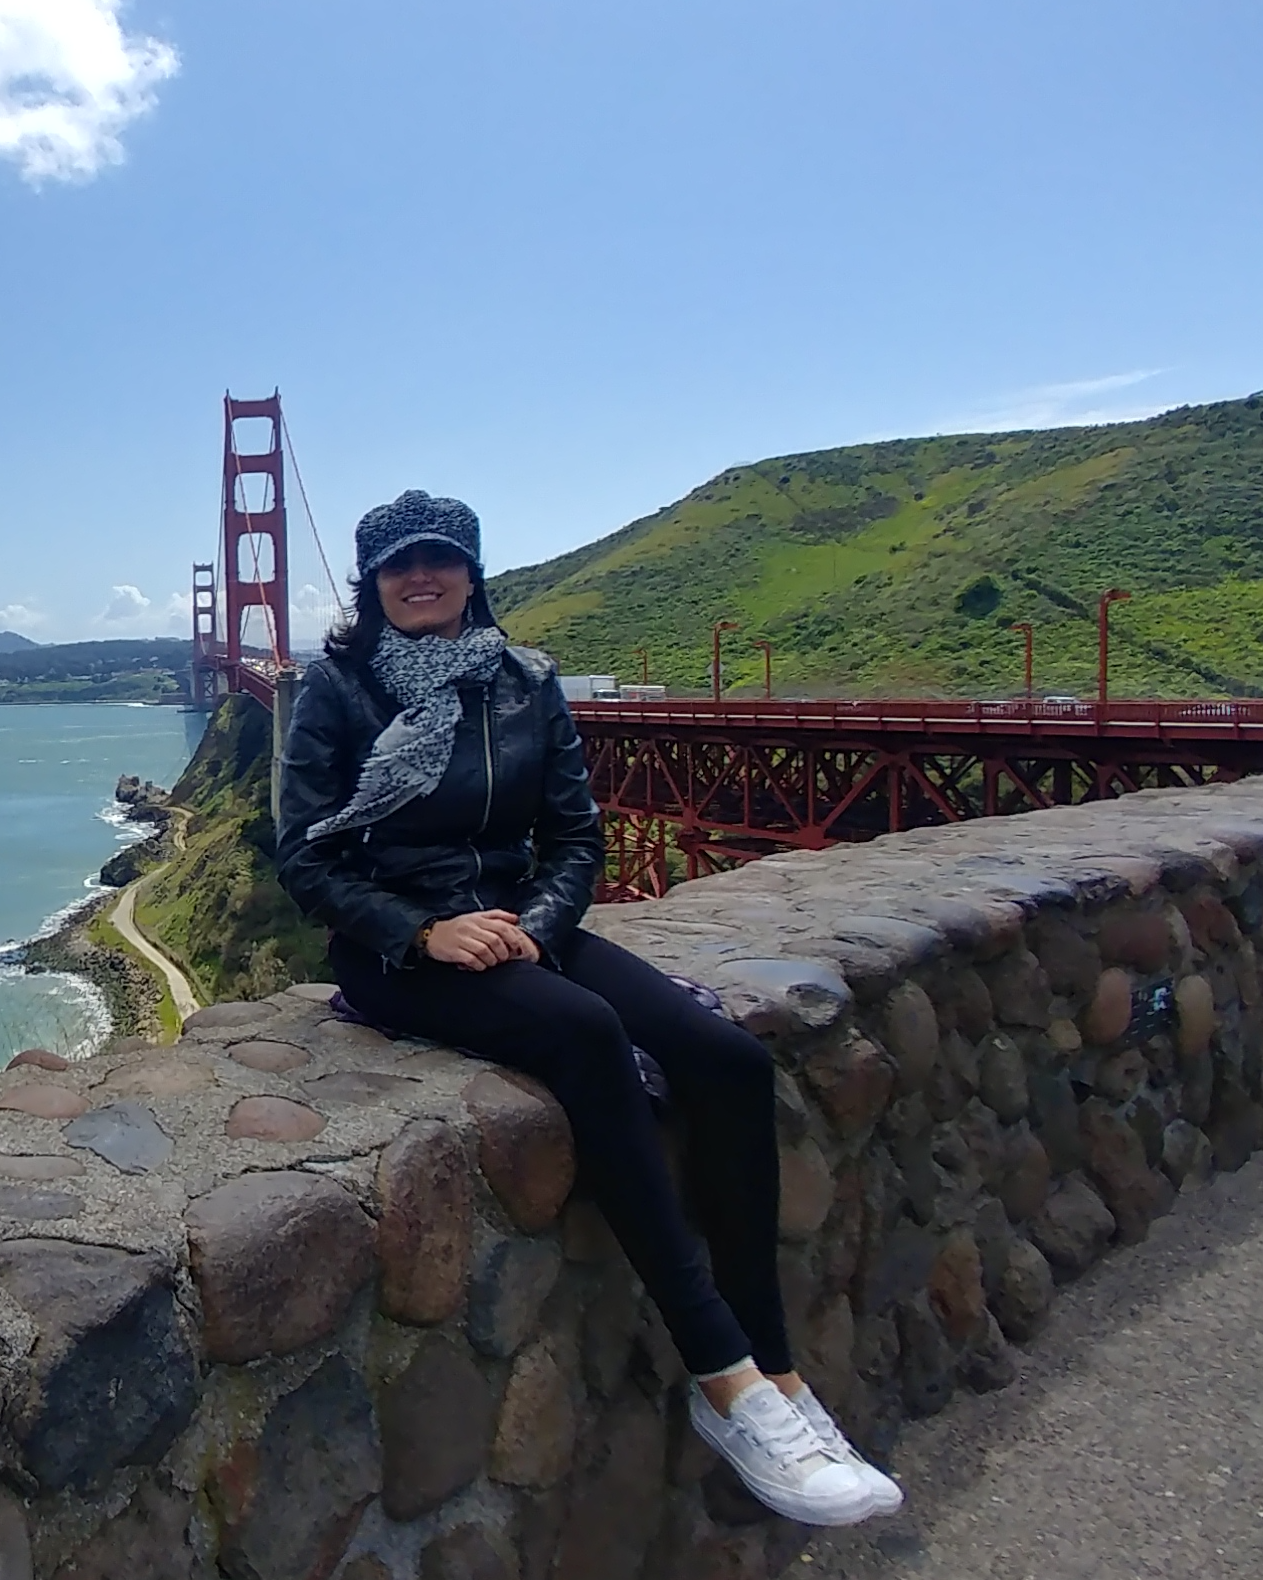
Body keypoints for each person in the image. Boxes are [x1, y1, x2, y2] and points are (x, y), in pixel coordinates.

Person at [273, 489, 899, 1528]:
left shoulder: (526, 683)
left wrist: (540, 925)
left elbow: (575, 837)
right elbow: (303, 854)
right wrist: (423, 931)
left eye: (441, 558)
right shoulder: (335, 691)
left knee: (728, 1060)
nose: (420, 575)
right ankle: (723, 1379)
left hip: (524, 927)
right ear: (371, 583)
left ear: (474, 573)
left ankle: (778, 1375)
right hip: (397, 949)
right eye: (397, 564)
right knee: (587, 1032)